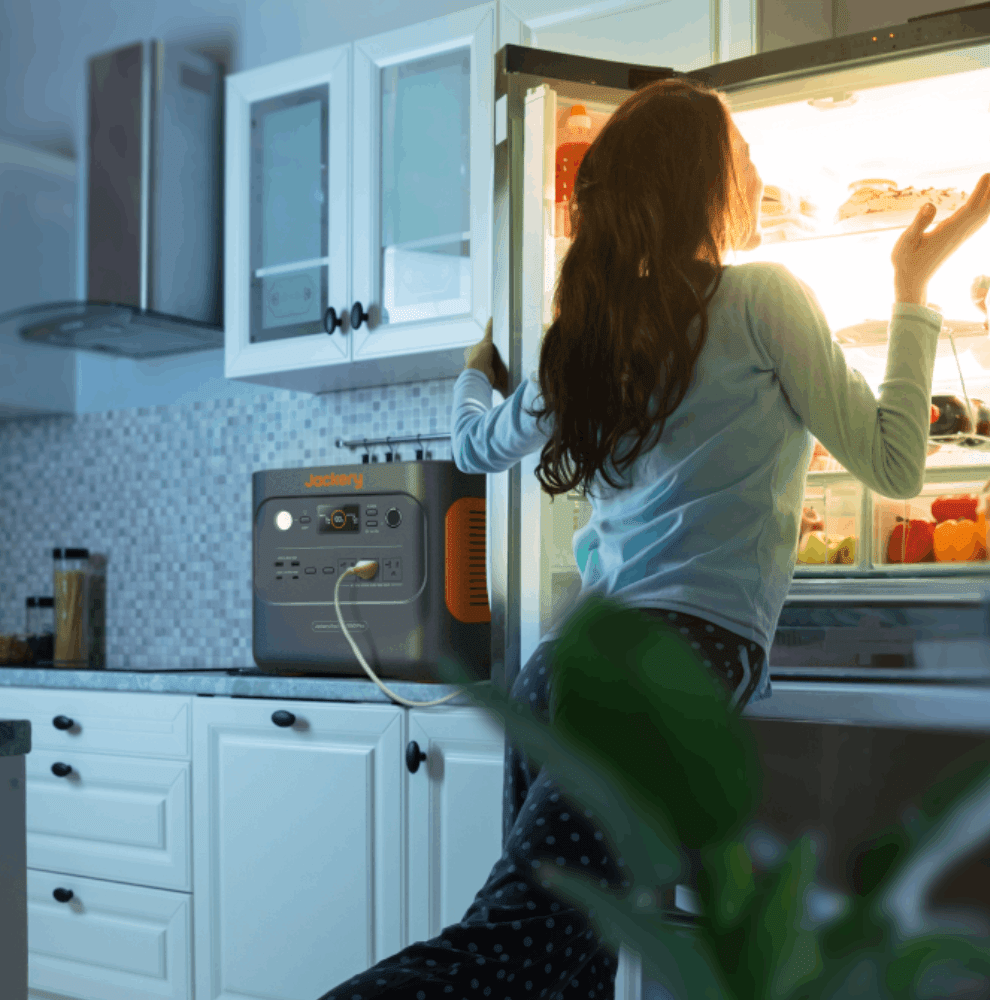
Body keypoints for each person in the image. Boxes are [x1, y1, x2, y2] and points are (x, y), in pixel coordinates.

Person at [316, 78, 990, 1000]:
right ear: (705, 181)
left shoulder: (596, 335)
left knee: (567, 969)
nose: (757, 171)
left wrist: (475, 369)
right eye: (745, 154)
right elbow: (896, 462)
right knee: (514, 943)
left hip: (567, 666)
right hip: (665, 669)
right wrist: (914, 291)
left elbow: (474, 443)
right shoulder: (764, 297)